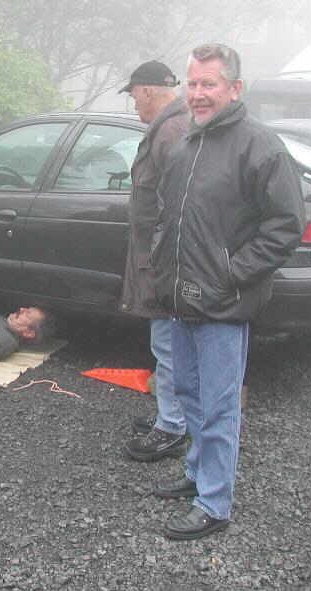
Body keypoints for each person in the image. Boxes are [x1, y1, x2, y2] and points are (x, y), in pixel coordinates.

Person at [149, 43, 304, 540]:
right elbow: (168, 217)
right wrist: (161, 265)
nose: (198, 93)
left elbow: (285, 226)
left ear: (235, 88)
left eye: (209, 84)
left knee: (218, 407)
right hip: (180, 298)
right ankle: (198, 472)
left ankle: (214, 503)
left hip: (222, 302)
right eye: (192, 83)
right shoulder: (186, 145)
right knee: (188, 393)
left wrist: (231, 273)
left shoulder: (261, 147)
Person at [117, 60, 190, 463]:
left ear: (146, 90)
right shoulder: (170, 127)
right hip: (163, 257)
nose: (133, 104)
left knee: (169, 346)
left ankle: (172, 427)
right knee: (170, 344)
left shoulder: (173, 131)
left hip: (166, 262)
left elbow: (179, 207)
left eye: (133, 95)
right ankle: (172, 414)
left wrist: (162, 259)